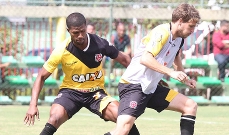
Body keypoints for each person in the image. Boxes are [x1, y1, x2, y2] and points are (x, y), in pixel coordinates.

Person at [24, 12, 139, 135]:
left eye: (83, 31)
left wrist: (142, 77)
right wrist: (33, 104)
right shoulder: (62, 50)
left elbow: (125, 59)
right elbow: (41, 76)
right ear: (69, 31)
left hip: (95, 93)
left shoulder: (100, 44)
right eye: (75, 33)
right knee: (54, 118)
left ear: (86, 27)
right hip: (70, 92)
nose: (80, 36)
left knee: (124, 118)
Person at [105, 3, 200, 135]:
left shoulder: (179, 39)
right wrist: (171, 72)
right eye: (191, 26)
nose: (192, 30)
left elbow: (176, 57)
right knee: (123, 130)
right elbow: (145, 59)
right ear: (180, 22)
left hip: (152, 88)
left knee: (190, 105)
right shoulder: (162, 32)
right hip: (134, 86)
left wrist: (185, 79)